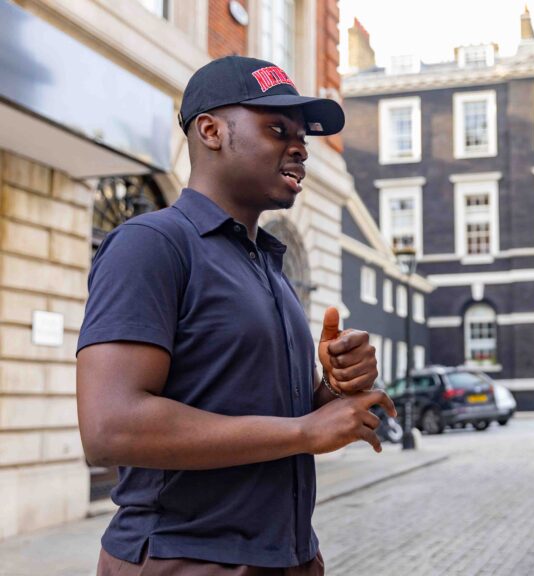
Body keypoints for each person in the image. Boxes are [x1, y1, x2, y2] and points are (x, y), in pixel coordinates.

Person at [76, 56, 395, 575]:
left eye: (303, 137)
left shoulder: (268, 266)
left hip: (288, 557)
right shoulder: (151, 244)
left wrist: (333, 388)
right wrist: (307, 432)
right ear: (211, 131)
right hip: (185, 558)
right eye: (277, 128)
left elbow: (272, 413)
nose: (299, 148)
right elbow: (111, 427)